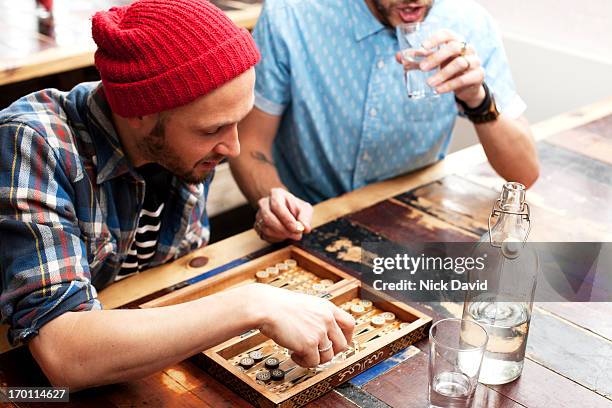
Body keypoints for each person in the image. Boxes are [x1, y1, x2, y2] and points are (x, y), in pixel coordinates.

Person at [0, 0, 354, 391]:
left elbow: (172, 275)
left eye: (238, 121)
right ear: (141, 113)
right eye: (212, 129)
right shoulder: (34, 144)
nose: (233, 148)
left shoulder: (173, 146)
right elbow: (65, 355)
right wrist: (251, 303)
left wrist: (267, 222)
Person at [230, 0, 540, 243]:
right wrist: (275, 202)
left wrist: (478, 99)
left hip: (414, 225)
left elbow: (523, 172)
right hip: (309, 219)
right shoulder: (292, 15)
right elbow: (250, 145)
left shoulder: (468, 22)